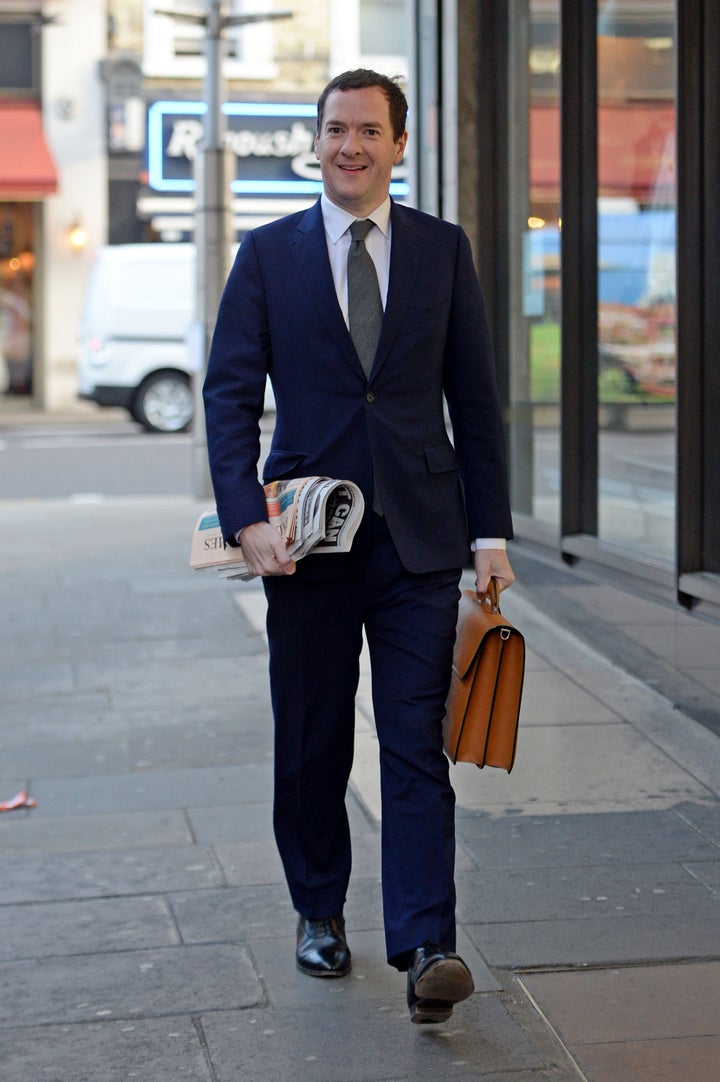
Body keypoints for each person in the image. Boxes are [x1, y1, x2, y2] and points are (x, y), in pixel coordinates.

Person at [203, 68, 515, 1025]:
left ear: (399, 144)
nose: (350, 146)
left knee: (417, 742)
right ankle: (317, 910)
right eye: (336, 130)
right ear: (316, 140)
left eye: (368, 131)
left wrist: (490, 531)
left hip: (421, 539)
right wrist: (246, 520)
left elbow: (475, 398)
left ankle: (428, 943)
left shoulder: (441, 249)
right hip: (307, 546)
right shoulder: (266, 255)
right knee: (312, 741)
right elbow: (226, 396)